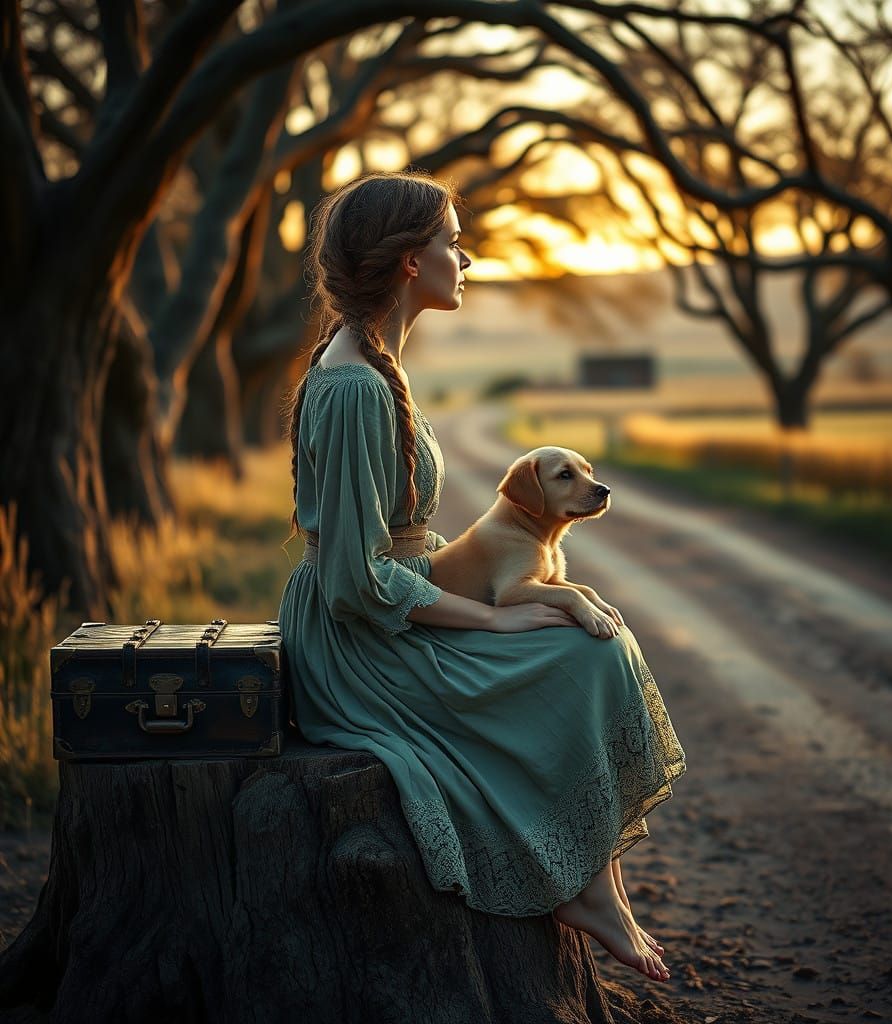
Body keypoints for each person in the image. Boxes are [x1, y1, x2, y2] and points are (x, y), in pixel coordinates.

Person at [278, 169, 686, 983]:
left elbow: (384, 557)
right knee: (585, 656)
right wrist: (497, 620)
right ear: (407, 263)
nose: (466, 260)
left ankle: (593, 879)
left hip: (381, 612)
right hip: (358, 642)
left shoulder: (370, 362)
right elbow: (355, 583)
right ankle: (585, 884)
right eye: (453, 245)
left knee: (586, 641)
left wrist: (493, 598)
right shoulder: (358, 385)